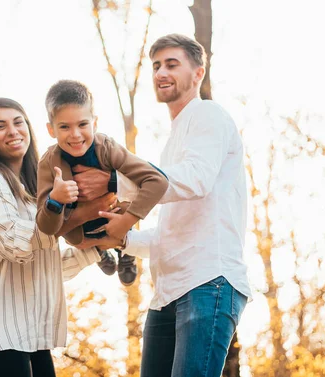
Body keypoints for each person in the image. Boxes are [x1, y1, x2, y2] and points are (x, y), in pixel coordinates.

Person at [100, 34, 252, 377]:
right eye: (156, 66)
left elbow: (196, 178)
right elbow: (168, 236)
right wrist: (121, 237)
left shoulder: (209, 114)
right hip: (167, 293)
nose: (160, 72)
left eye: (171, 64)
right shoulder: (172, 145)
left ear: (198, 73)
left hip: (208, 281)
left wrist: (119, 181)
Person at [0, 97, 123, 377]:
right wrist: (69, 209)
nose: (13, 131)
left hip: (31, 333)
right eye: (0, 126)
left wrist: (97, 246)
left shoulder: (34, 188)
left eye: (18, 122)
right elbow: (16, 246)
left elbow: (45, 264)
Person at [35, 80, 169, 286]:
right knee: (72, 236)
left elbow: (157, 181)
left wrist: (125, 223)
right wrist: (55, 200)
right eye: (64, 127)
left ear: (94, 123)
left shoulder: (106, 148)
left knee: (125, 199)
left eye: (82, 124)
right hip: (80, 234)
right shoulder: (48, 164)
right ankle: (97, 252)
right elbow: (46, 227)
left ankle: (126, 252)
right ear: (51, 130)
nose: (75, 134)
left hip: (117, 219)